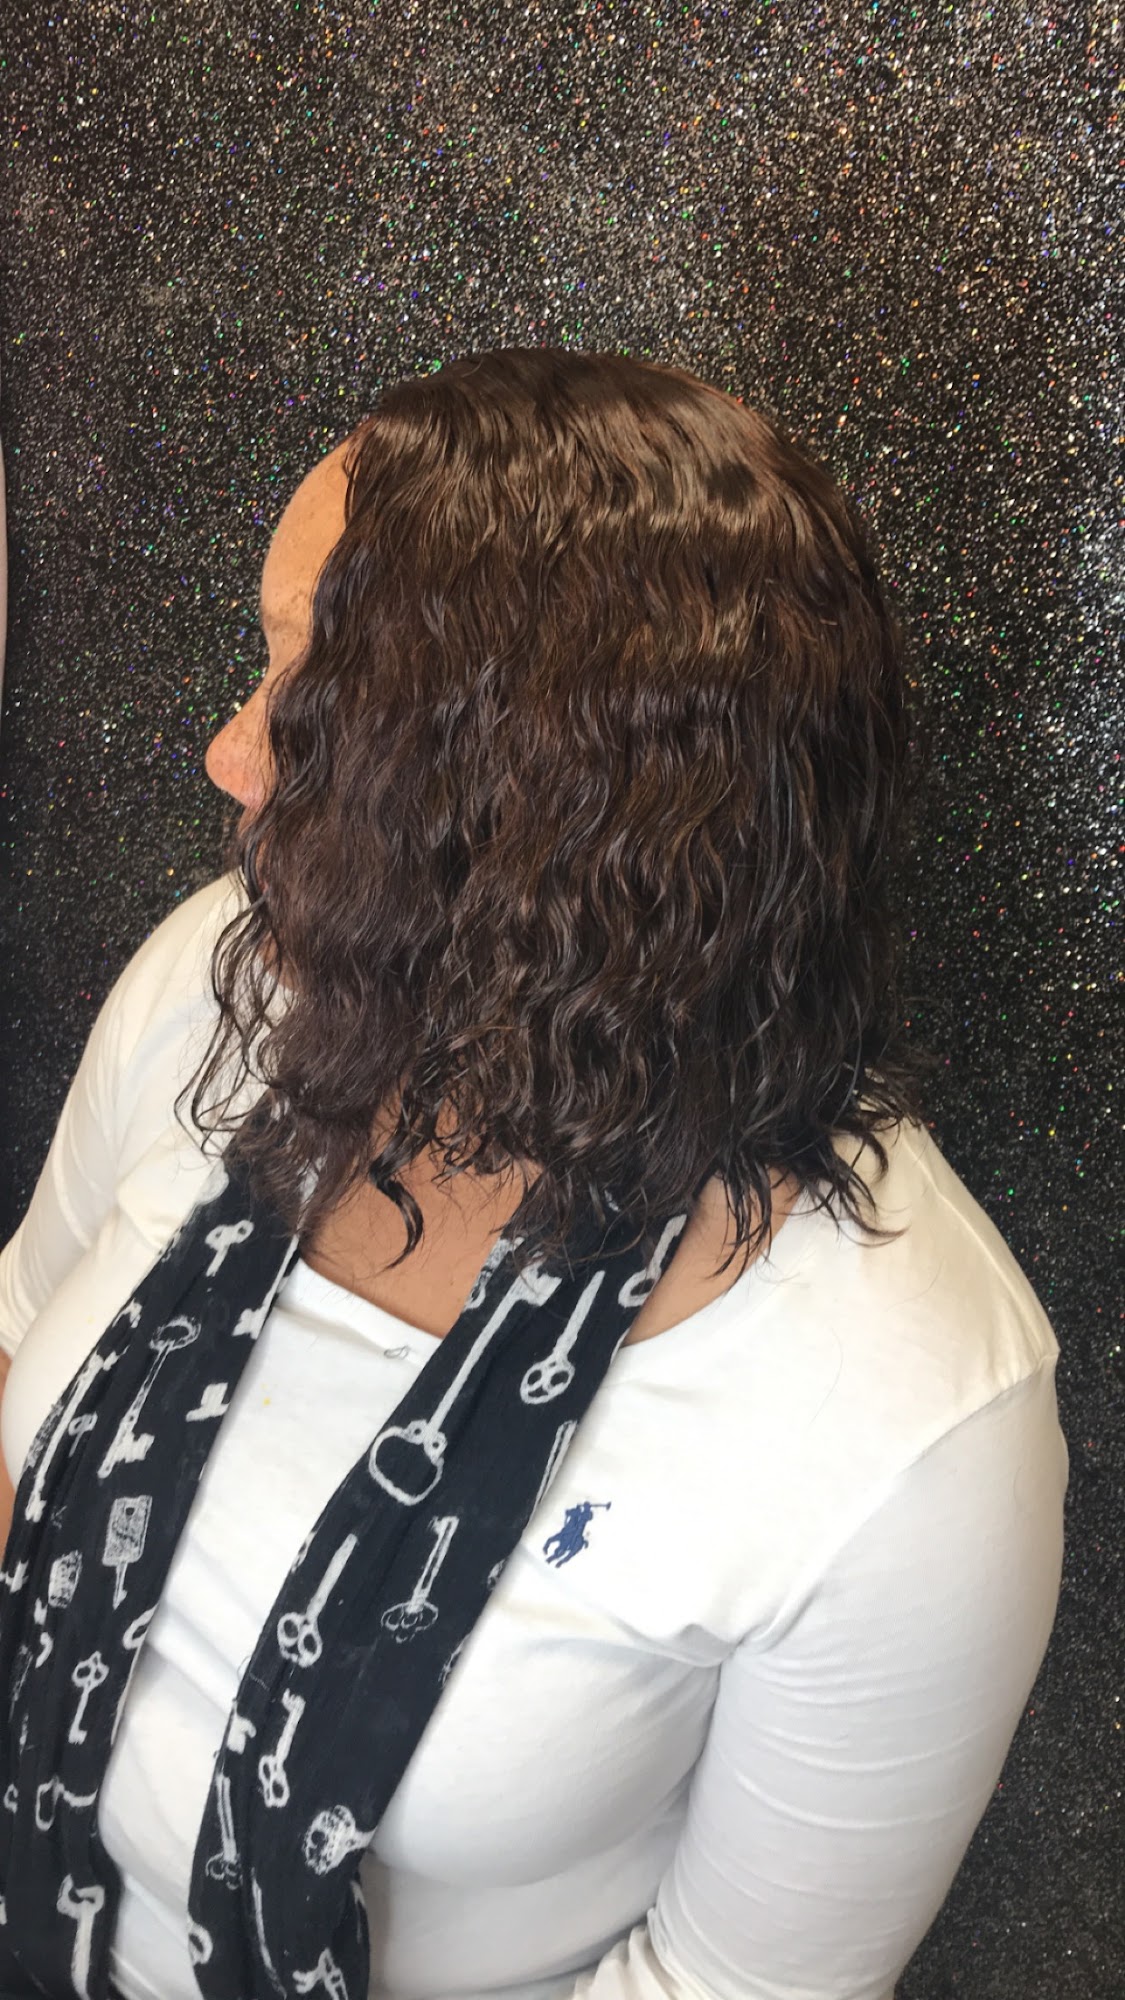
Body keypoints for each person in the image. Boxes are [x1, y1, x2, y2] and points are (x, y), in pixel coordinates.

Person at [0, 348, 1067, 2000]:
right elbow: (21, 1331)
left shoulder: (908, 1410)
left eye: (309, 694)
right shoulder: (233, 977)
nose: (228, 754)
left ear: (547, 793)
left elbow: (733, 1986)